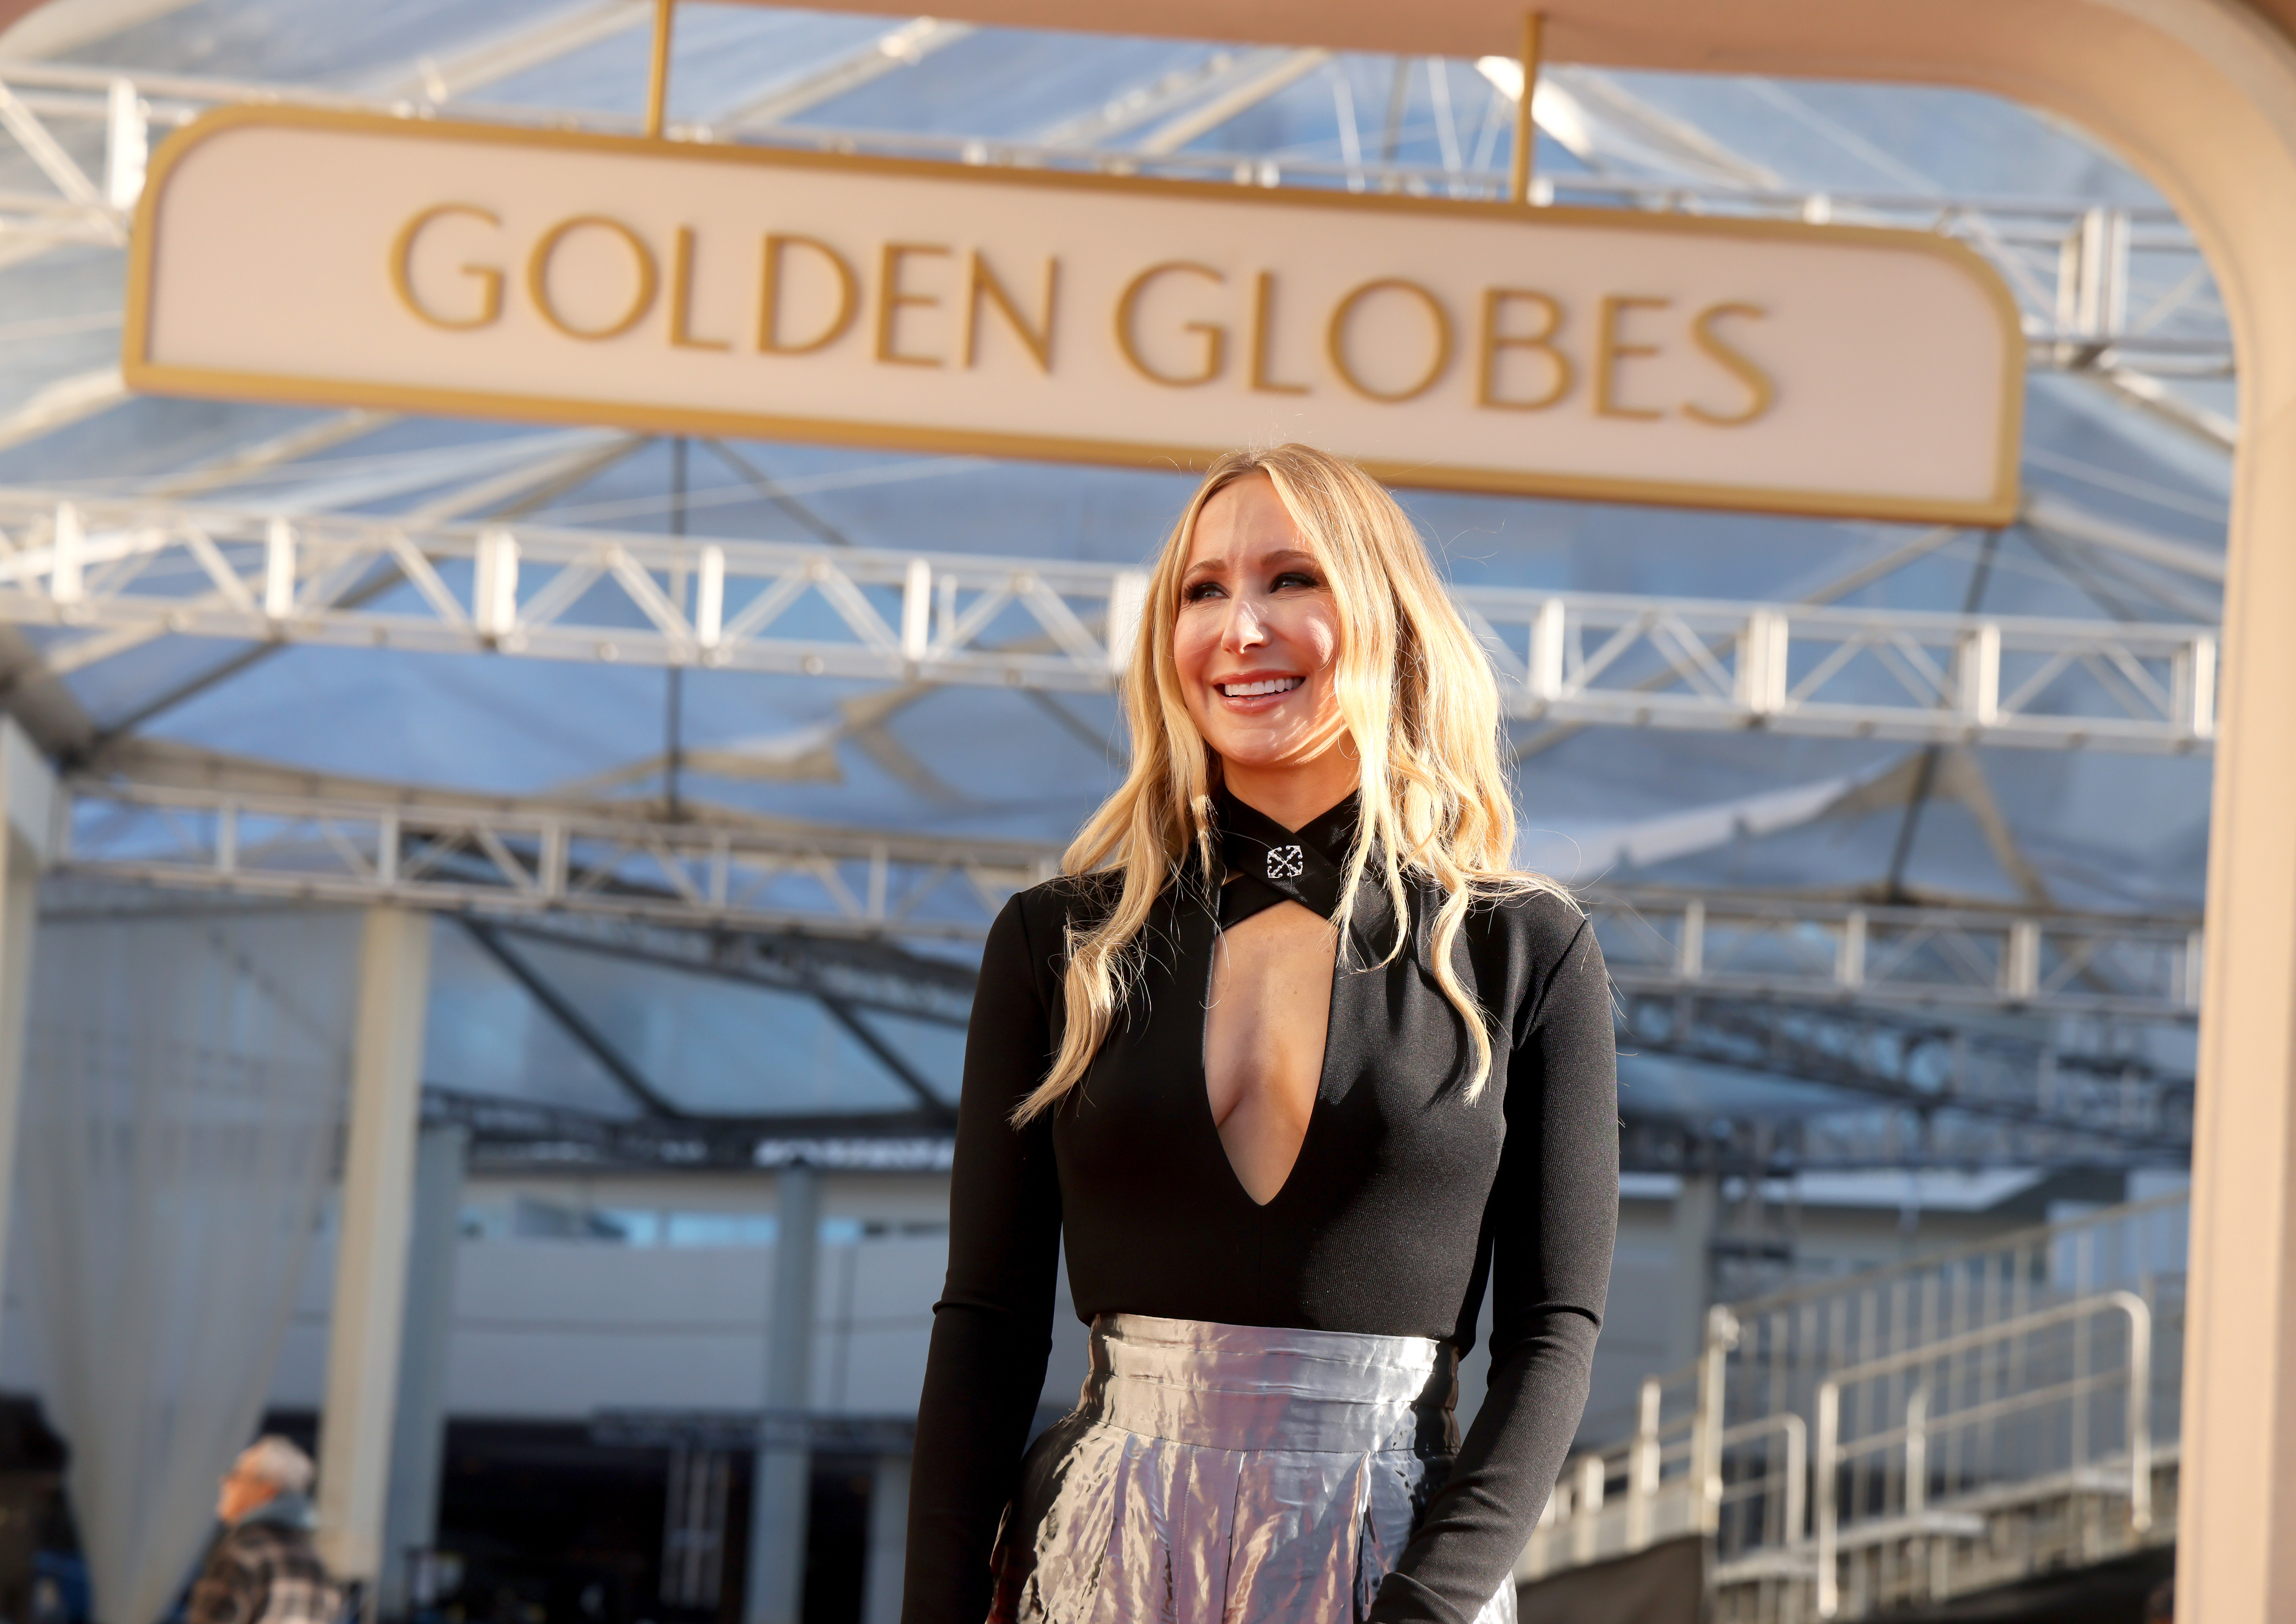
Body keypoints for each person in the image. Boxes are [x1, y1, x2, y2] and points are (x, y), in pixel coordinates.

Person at [905, 444, 1619, 1624]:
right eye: (1201, 589)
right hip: (1095, 1558)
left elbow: (1552, 1336)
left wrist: (1426, 1609)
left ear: (1385, 617)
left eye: (1291, 578)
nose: (1240, 626)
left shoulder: (1524, 947)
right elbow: (984, 1316)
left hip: (1392, 1560)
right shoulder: (1055, 942)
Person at [188, 1436, 342, 1624]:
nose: (225, 1482)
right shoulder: (315, 1560)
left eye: (236, 1475)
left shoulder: (243, 1551)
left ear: (266, 1490)